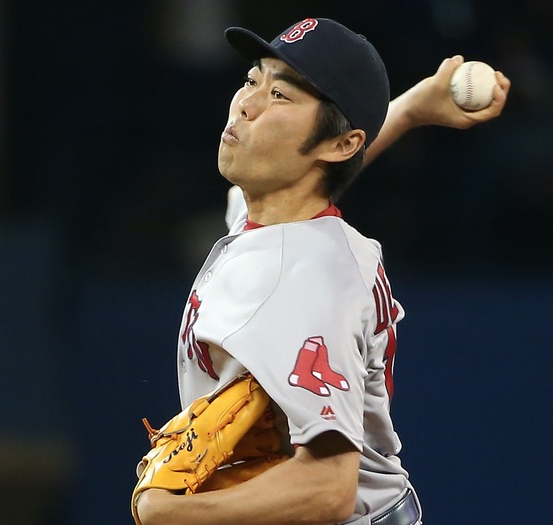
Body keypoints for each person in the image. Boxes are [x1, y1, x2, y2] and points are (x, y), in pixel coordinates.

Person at [135, 17, 510, 525]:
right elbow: (318, 176)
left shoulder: (303, 284)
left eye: (281, 96)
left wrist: (170, 515)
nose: (246, 104)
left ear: (339, 145)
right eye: (252, 80)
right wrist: (407, 111)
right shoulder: (278, 222)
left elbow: (328, 486)